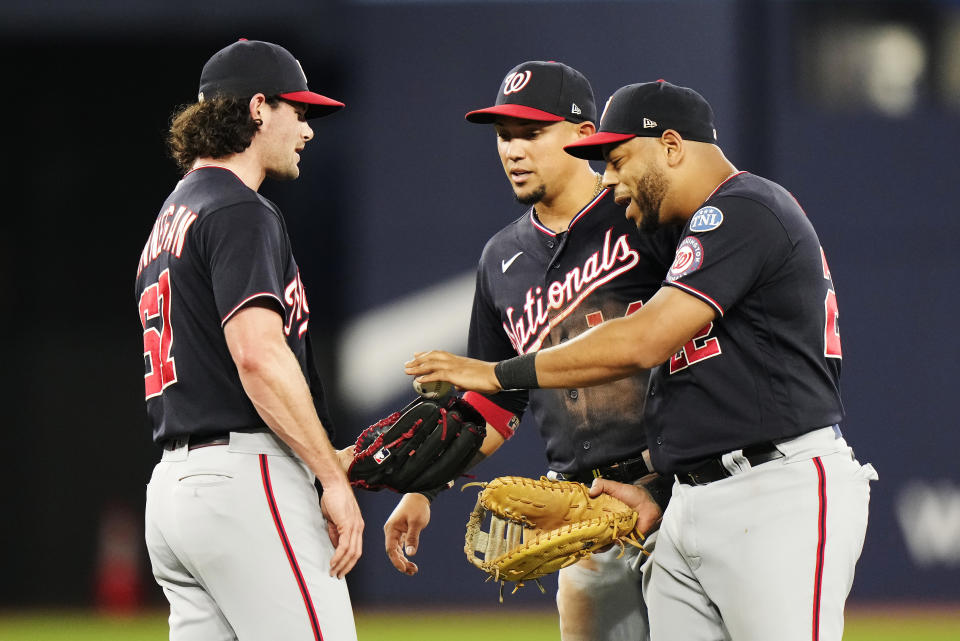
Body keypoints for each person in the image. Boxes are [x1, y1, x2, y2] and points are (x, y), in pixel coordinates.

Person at [405, 80, 877, 641]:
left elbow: (644, 340)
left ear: (671, 146)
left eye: (618, 159)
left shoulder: (741, 209)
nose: (608, 178)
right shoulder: (696, 223)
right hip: (688, 499)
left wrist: (496, 372)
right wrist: (657, 491)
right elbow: (694, 386)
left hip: (779, 489)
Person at [384, 61, 679, 641]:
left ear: (583, 133)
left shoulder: (643, 217)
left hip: (674, 492)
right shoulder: (500, 259)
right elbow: (495, 402)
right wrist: (425, 489)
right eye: (503, 136)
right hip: (582, 513)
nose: (513, 150)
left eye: (531, 132)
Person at [135, 39, 363, 641]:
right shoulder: (239, 209)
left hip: (175, 493)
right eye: (300, 111)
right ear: (259, 108)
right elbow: (259, 356)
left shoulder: (171, 218)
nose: (308, 130)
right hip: (243, 478)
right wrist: (330, 478)